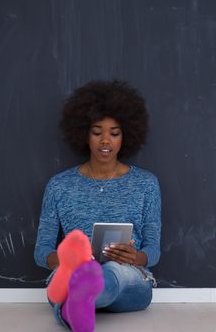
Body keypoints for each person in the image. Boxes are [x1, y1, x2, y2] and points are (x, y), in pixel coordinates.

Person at [34, 80, 161, 332]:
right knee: (77, 273)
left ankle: (77, 297)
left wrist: (137, 257)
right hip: (72, 270)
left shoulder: (146, 184)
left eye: (114, 133)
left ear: (126, 135)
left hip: (129, 278)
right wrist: (63, 261)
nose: (106, 140)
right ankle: (80, 289)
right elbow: (41, 251)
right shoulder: (59, 186)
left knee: (113, 271)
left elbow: (153, 249)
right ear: (84, 133)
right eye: (96, 132)